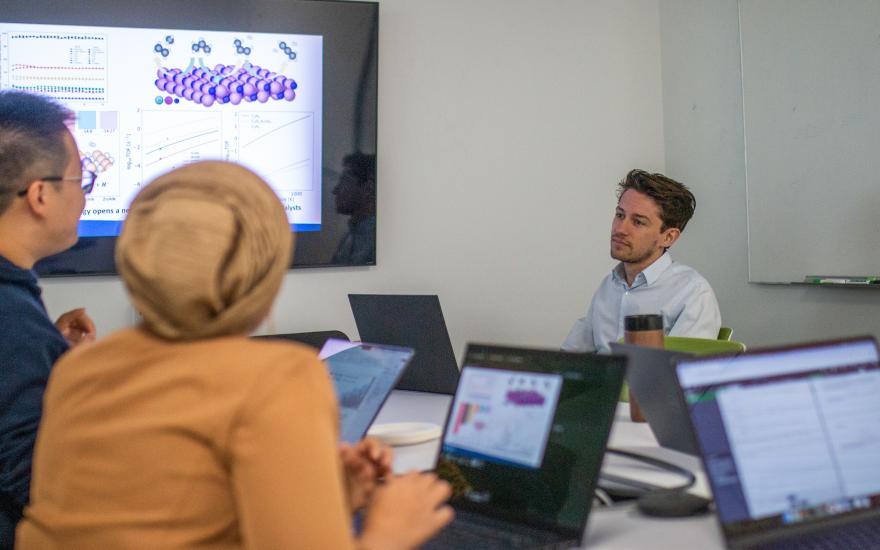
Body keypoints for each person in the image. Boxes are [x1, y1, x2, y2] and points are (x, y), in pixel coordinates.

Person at [16, 161, 452, 549]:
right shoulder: (278, 379)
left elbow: (166, 512)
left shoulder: (79, 367)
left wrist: (326, 494)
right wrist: (390, 531)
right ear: (263, 270)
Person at [0, 91, 97, 549]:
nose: (84, 197)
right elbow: (39, 486)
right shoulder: (10, 318)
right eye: (82, 180)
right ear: (40, 194)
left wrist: (50, 358)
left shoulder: (17, 316)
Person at [562, 169, 720, 353]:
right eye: (620, 215)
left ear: (668, 237)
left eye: (638, 222)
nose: (621, 229)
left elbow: (680, 374)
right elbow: (570, 356)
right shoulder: (609, 286)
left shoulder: (692, 293)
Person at [331, 152, 376, 265]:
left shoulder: (377, 242)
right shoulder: (349, 237)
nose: (335, 190)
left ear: (368, 188)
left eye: (344, 180)